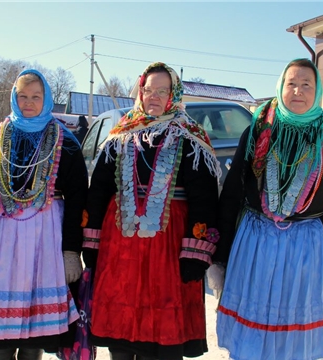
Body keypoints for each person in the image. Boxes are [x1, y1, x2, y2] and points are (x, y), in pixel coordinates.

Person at [212, 58, 323, 360]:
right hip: (254, 246)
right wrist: (221, 256)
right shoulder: (257, 132)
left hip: (306, 253)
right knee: (251, 339)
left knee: (292, 343)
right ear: (280, 87)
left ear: (317, 91)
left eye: (307, 84)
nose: (298, 91)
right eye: (291, 83)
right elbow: (233, 195)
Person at [82, 62, 221, 360]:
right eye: (148, 90)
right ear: (140, 92)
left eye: (162, 91)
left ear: (174, 94)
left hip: (170, 250)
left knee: (161, 338)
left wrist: (197, 252)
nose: (154, 97)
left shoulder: (189, 137)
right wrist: (92, 241)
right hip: (120, 248)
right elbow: (99, 190)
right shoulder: (120, 135)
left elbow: (205, 198)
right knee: (120, 336)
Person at [0, 69, 88, 360]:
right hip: (0, 237)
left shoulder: (64, 142)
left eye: (35, 96)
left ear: (46, 100)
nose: (28, 102)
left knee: (36, 332)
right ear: (13, 98)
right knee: (0, 330)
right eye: (22, 96)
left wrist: (71, 250)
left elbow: (78, 197)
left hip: (46, 238)